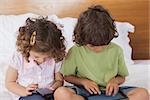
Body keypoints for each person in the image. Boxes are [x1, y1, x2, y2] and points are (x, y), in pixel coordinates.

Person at [54, 5, 149, 100]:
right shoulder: (75, 51)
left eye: (104, 45)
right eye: (92, 46)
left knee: (142, 94)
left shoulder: (116, 50)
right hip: (83, 92)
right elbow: (67, 77)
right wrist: (84, 82)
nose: (98, 49)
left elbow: (122, 77)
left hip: (111, 92)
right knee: (60, 93)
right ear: (82, 38)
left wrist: (114, 81)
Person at [5, 17, 66, 100]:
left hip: (50, 94)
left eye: (47, 57)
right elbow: (9, 83)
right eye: (36, 57)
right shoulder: (19, 57)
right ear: (27, 48)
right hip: (28, 95)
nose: (41, 60)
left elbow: (59, 80)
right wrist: (24, 91)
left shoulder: (55, 57)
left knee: (63, 94)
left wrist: (55, 86)